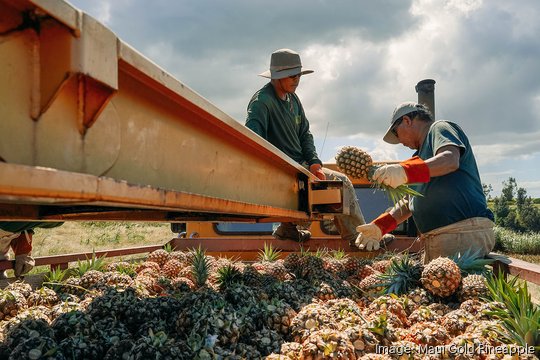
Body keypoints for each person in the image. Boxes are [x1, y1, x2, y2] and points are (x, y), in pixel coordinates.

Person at [245, 48, 366, 245]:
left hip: (301, 165)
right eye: (292, 75)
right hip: (282, 169)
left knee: (326, 185)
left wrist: (314, 163)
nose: (297, 79)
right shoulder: (261, 102)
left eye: (299, 75)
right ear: (278, 76)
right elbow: (253, 139)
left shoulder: (293, 99)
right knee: (341, 181)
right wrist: (274, 168)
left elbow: (305, 134)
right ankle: (356, 237)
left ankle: (288, 229)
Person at [355, 102, 495, 262]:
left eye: (396, 132)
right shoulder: (420, 157)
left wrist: (405, 171)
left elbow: (449, 159)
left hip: (460, 233)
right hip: (439, 238)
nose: (399, 141)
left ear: (407, 120)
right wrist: (381, 225)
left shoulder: (440, 128)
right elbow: (411, 200)